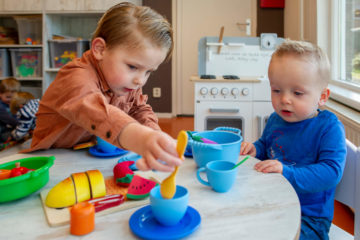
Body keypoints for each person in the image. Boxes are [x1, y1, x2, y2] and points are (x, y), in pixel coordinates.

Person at [22, 2, 181, 172]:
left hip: (91, 158)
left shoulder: (127, 82)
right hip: (50, 162)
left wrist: (154, 134)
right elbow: (98, 113)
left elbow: (139, 109)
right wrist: (141, 138)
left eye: (148, 71)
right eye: (132, 67)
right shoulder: (75, 77)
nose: (140, 81)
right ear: (100, 49)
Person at [240, 39, 346, 240]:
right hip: (272, 203)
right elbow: (266, 146)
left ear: (322, 96)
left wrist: (286, 172)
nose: (284, 99)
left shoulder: (329, 127)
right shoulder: (275, 119)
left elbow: (331, 172)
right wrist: (255, 149)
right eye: (276, 90)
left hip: (309, 219)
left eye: (297, 93)